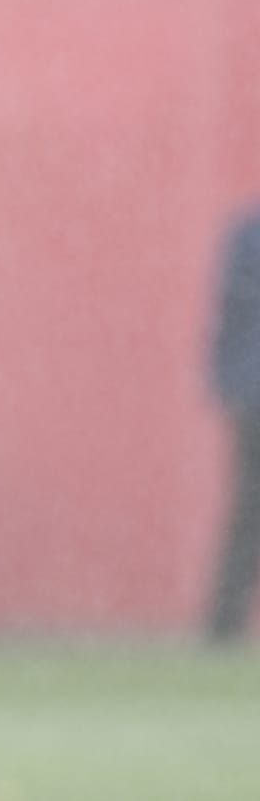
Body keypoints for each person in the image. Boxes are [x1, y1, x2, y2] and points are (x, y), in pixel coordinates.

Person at [205, 202, 260, 645]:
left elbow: (227, 316)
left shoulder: (246, 236)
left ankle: (222, 625)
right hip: (254, 394)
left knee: (248, 512)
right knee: (249, 510)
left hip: (250, 390)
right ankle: (222, 624)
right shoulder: (247, 236)